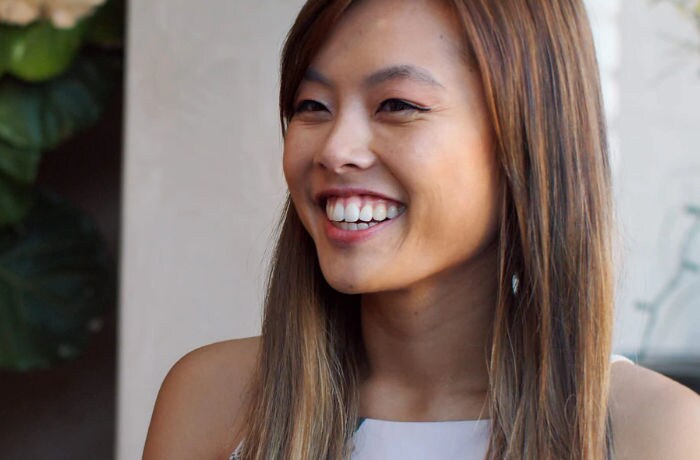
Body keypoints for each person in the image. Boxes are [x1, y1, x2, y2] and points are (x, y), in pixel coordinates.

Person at [142, 0, 700, 459]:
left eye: (398, 105)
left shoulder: (656, 433)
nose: (335, 149)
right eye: (312, 105)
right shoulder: (213, 401)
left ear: (527, 140)